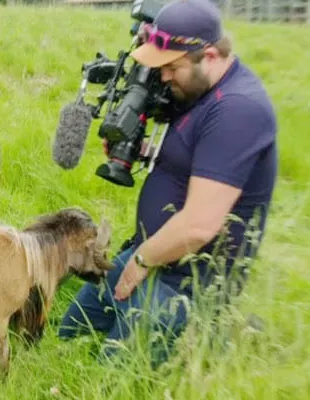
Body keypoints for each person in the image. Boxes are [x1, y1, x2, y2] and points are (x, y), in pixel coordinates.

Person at [58, 0, 278, 367]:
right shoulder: (196, 89)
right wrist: (137, 146)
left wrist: (141, 262)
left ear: (208, 55)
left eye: (171, 67)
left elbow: (199, 224)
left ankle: (219, 333)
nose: (163, 77)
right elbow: (193, 153)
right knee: (68, 332)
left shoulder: (239, 110)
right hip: (152, 249)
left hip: (187, 282)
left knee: (111, 378)